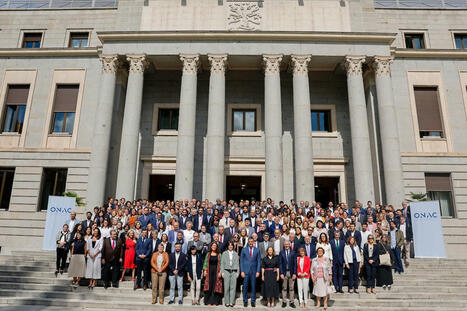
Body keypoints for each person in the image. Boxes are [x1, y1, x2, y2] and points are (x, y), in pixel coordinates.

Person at [240, 237, 261, 308]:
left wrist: (258, 271)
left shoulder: (257, 250)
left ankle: (253, 300)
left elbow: (259, 261)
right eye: (249, 241)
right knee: (245, 286)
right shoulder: (244, 249)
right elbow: (241, 261)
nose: (251, 243)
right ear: (248, 242)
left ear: (254, 242)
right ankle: (245, 300)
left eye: (252, 241)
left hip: (254, 271)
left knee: (253, 286)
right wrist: (242, 271)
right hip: (245, 271)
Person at [221, 241, 240, 308]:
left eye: (231, 245)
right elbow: (222, 263)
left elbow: (238, 264)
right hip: (226, 271)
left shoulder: (235, 254)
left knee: (233, 287)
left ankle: (231, 302)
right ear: (227, 246)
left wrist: (238, 272)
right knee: (226, 287)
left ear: (233, 246)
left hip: (234, 271)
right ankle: (226, 302)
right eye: (229, 245)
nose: (230, 246)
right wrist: (222, 272)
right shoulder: (224, 253)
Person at [278, 240, 297, 308]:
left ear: (289, 245)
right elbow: (280, 263)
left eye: (287, 244)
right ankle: (284, 301)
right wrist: (281, 273)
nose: (286, 245)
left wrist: (295, 273)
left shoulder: (293, 252)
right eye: (285, 244)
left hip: (291, 272)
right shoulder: (281, 252)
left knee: (291, 288)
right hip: (284, 272)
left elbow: (295, 264)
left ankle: (292, 302)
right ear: (284, 245)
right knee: (284, 288)